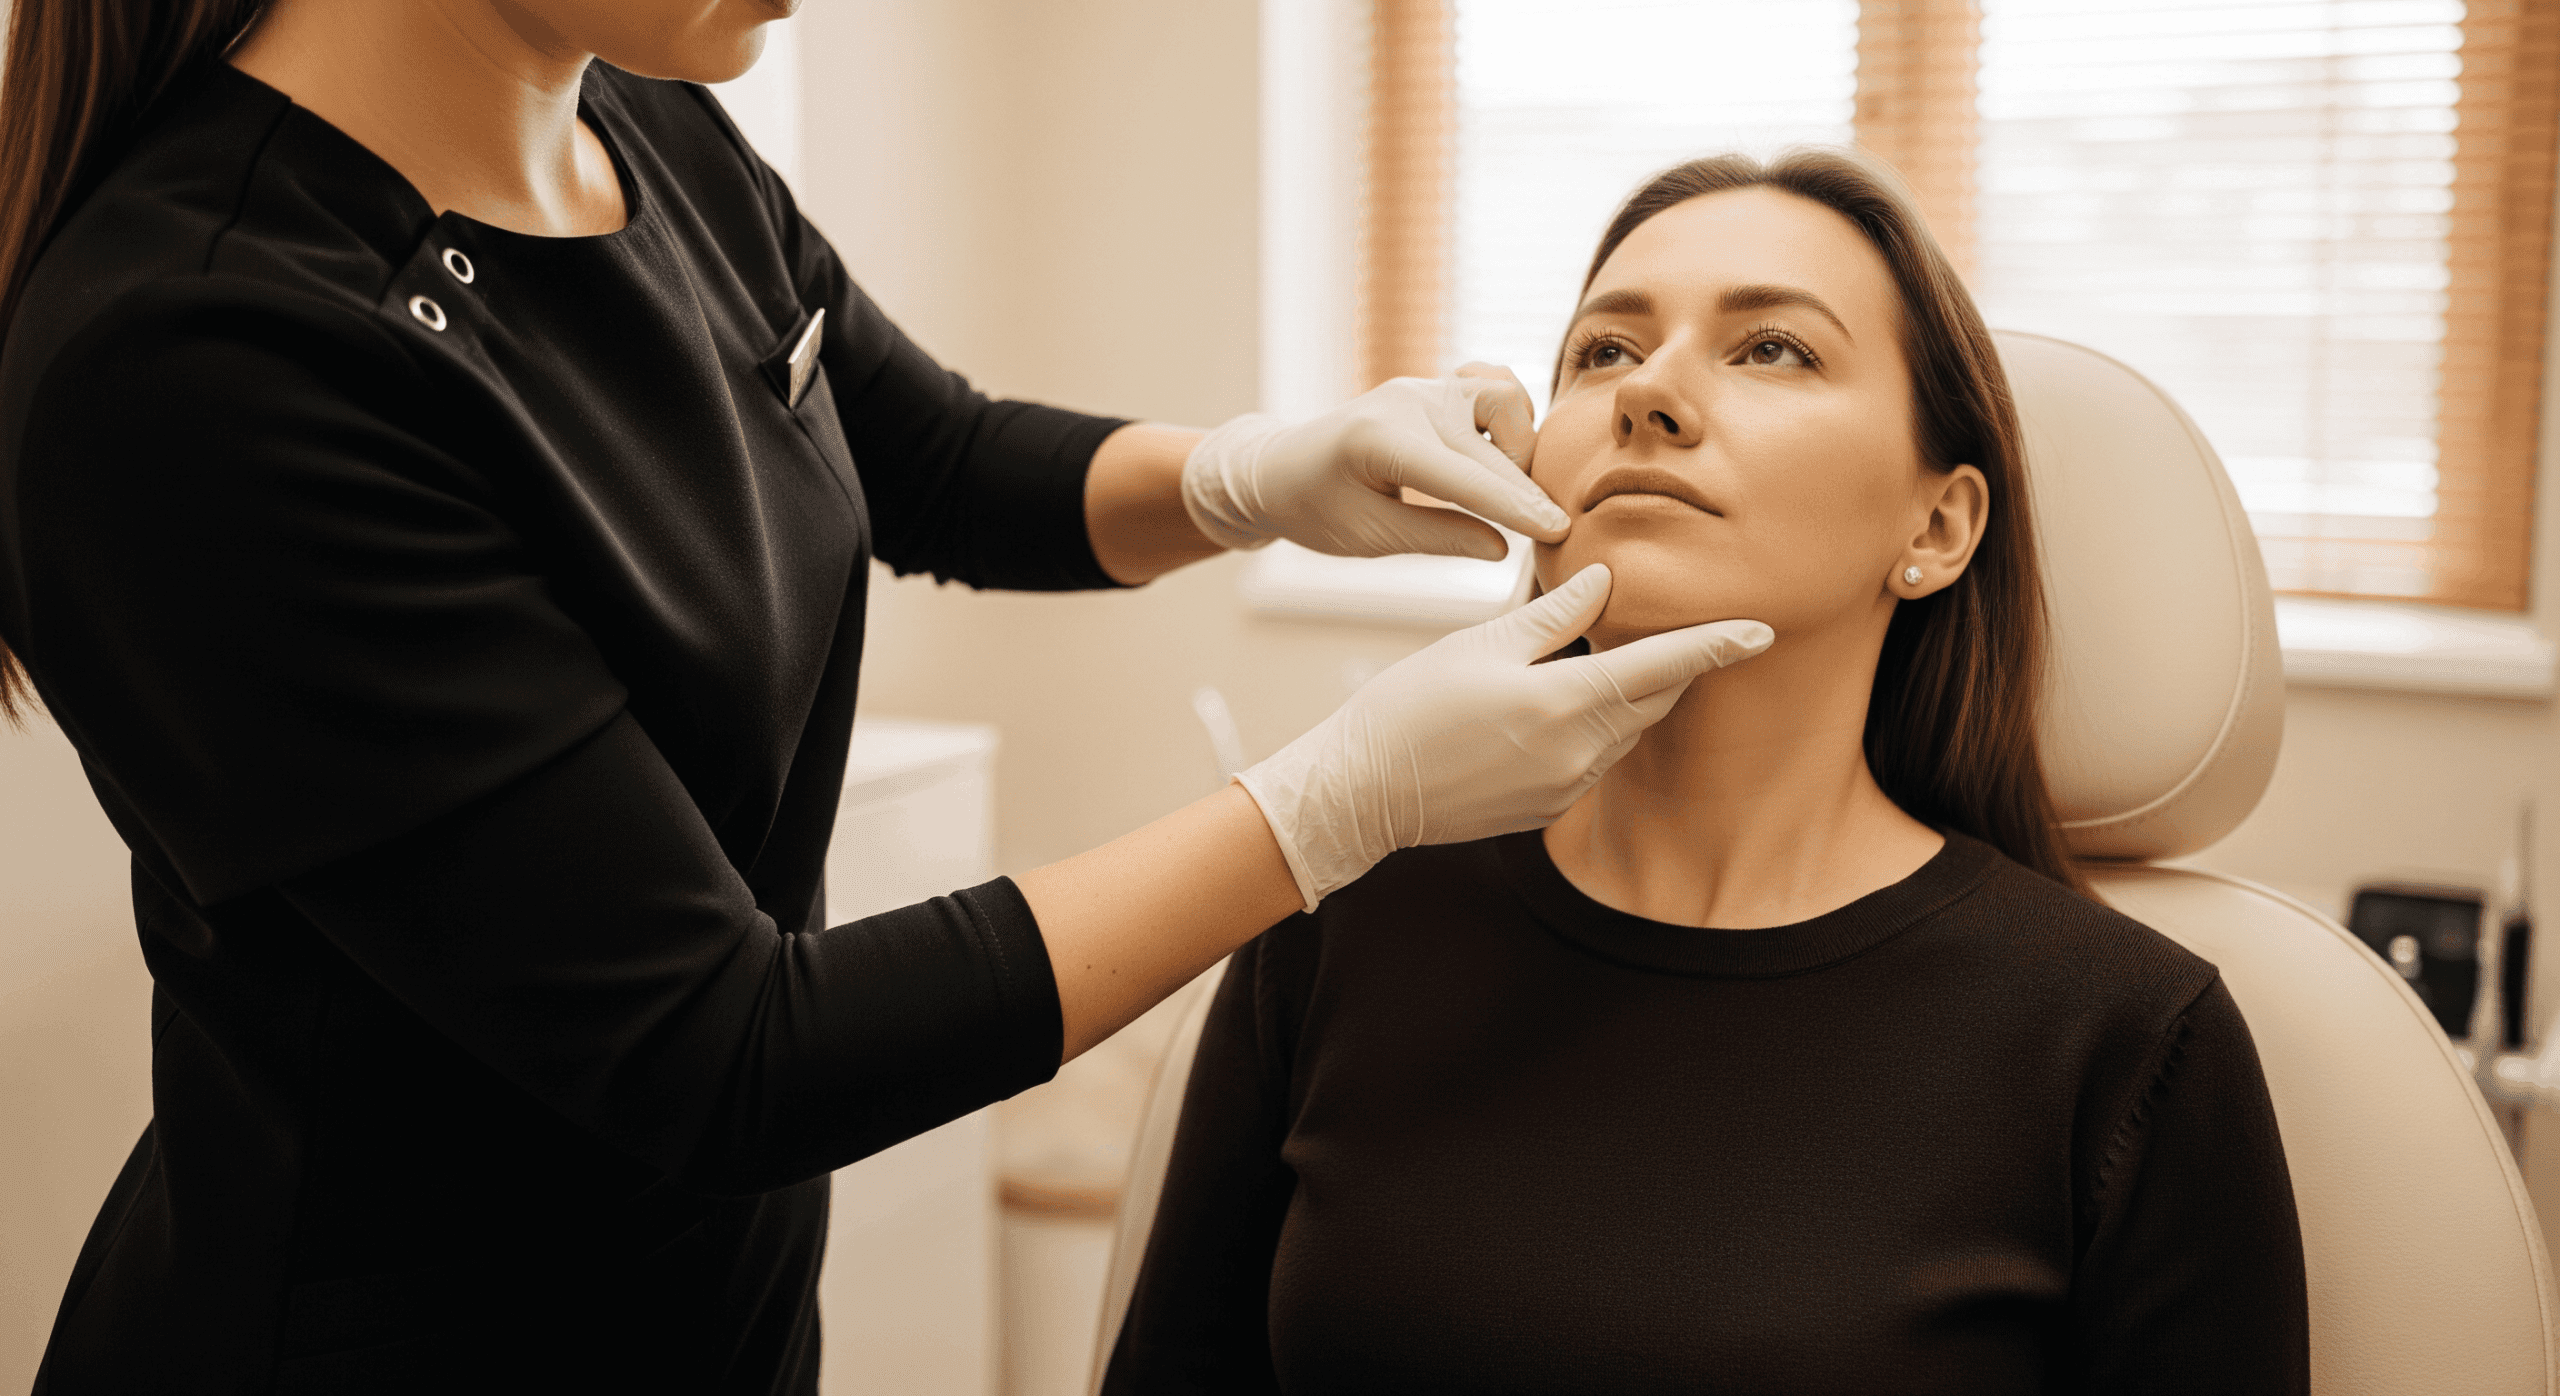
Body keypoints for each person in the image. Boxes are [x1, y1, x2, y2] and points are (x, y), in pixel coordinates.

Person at [0, 1, 1777, 1390]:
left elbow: (922, 459)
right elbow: (722, 1053)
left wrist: (1261, 474)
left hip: (716, 1319)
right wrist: (1339, 804)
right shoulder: (203, 357)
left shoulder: (638, 118)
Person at [1103, 151, 2310, 1395]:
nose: (1649, 397)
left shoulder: (2121, 1041)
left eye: (1773, 348)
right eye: (1604, 353)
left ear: (1935, 528)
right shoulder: (1336, 921)